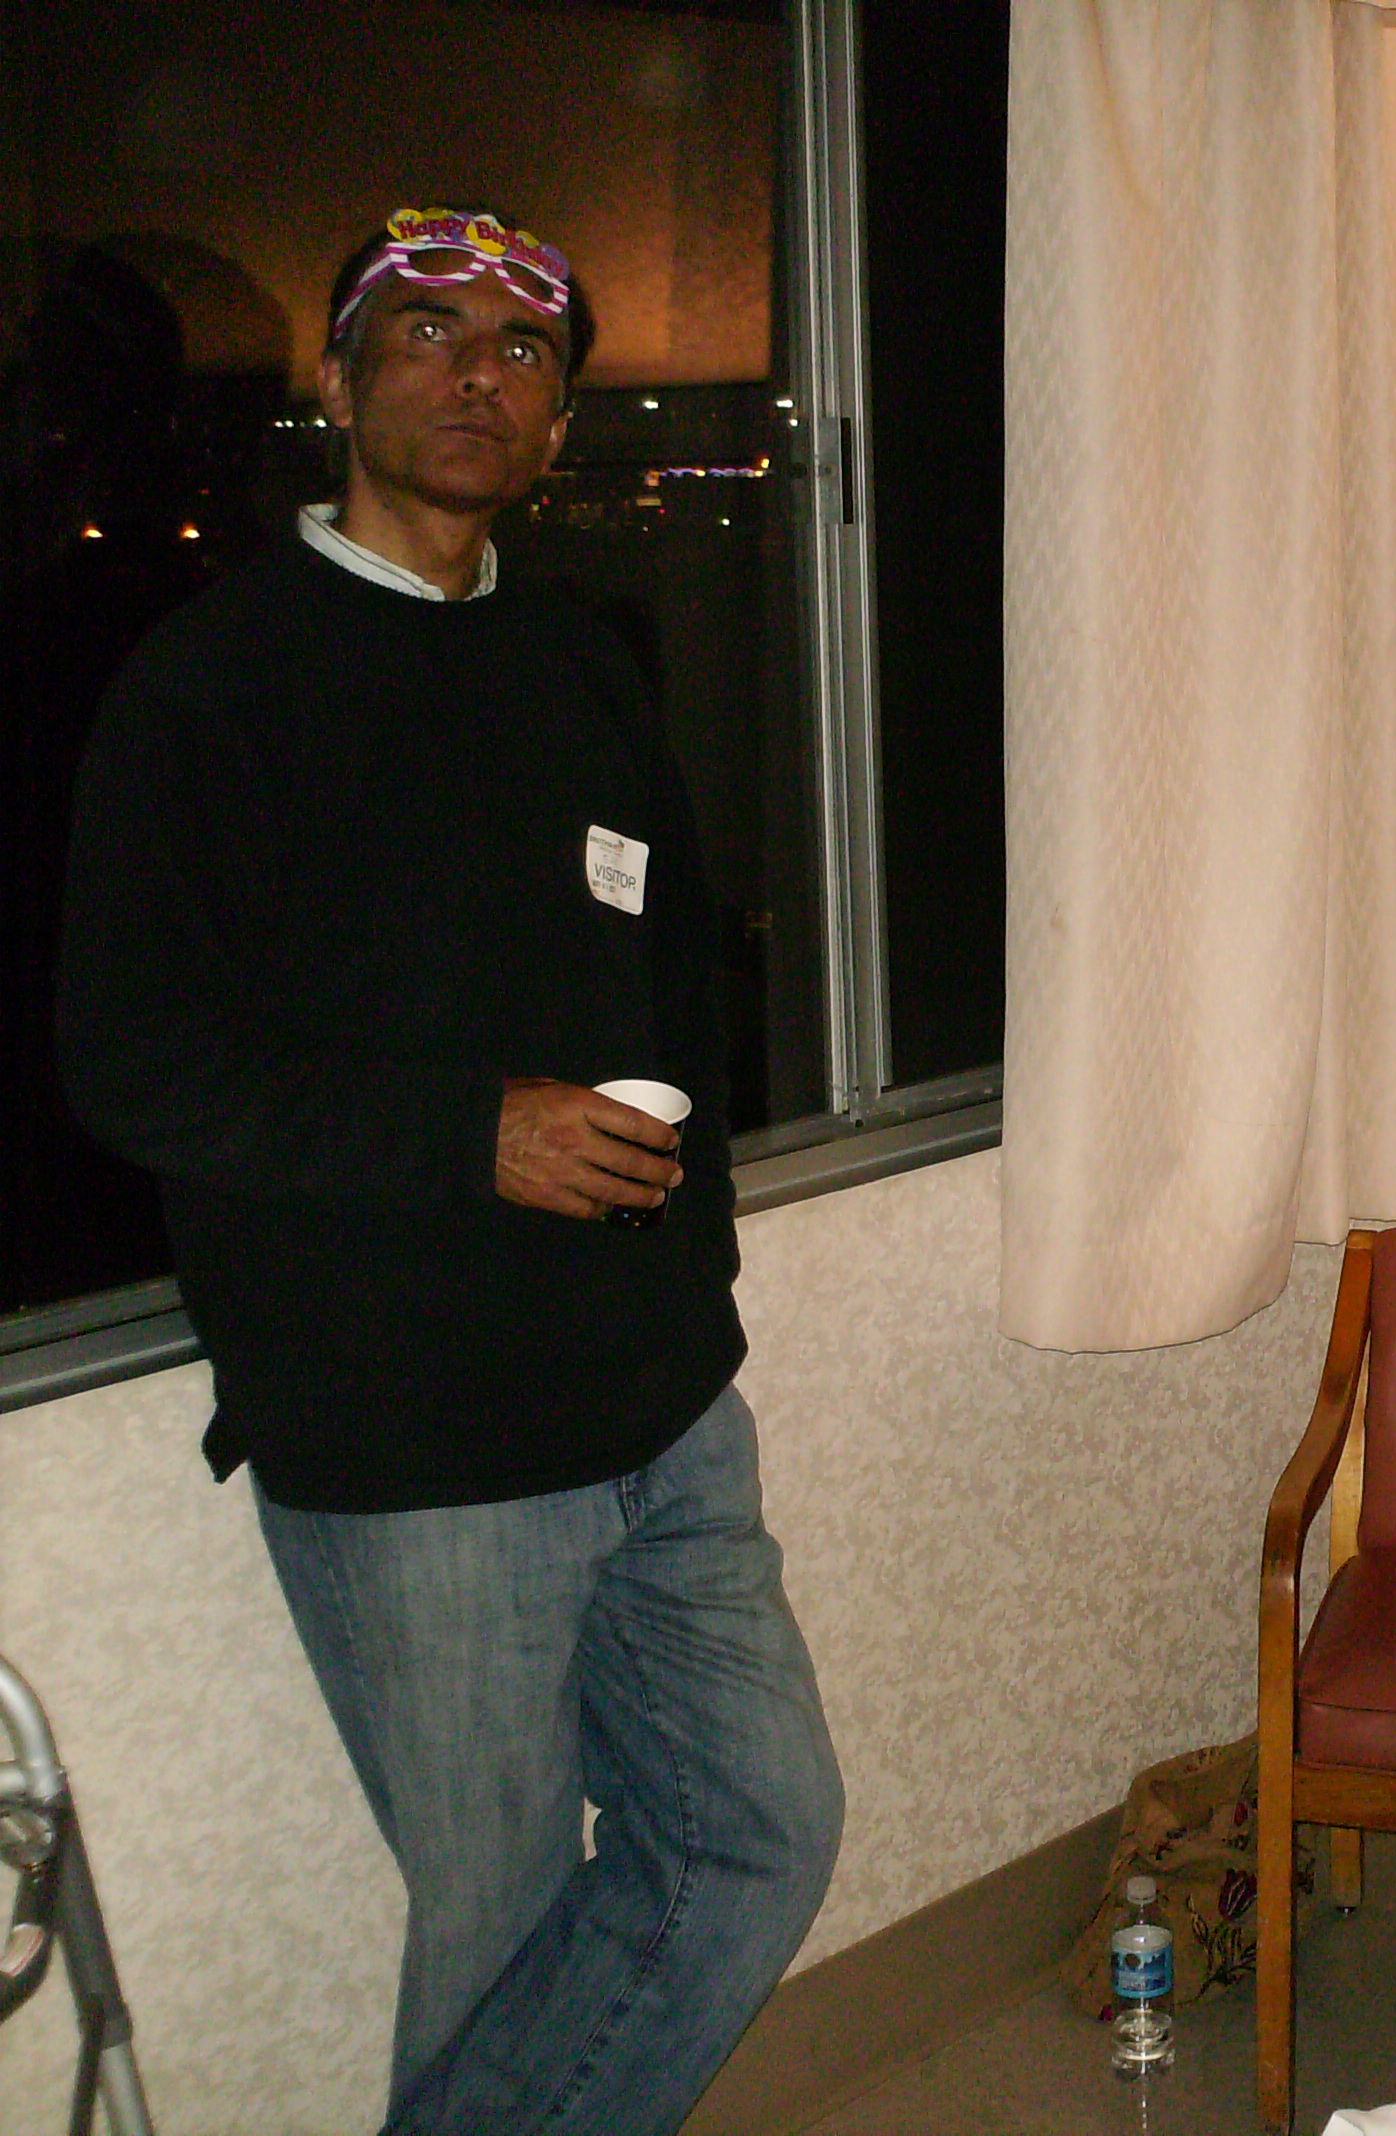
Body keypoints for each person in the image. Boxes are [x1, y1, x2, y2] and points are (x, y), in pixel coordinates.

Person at [55, 204, 843, 2136]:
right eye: (424, 335)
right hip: (415, 1441)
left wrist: (698, 1290)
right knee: (496, 1930)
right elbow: (131, 1059)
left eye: (521, 350)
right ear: (340, 383)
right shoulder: (211, 682)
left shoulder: (581, 659)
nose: (475, 374)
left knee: (758, 1831)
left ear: (558, 421)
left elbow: (676, 968)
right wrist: (468, 1131)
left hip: (664, 1413)